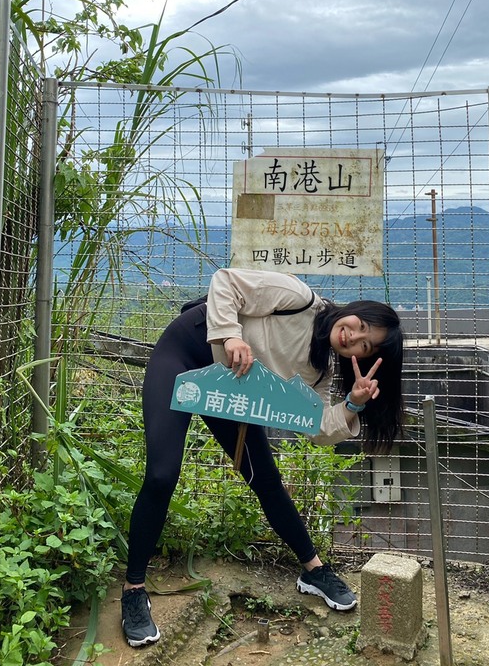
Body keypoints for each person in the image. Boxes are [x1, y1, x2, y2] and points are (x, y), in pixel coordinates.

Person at [121, 267, 404, 648]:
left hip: (230, 388)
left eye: (364, 346)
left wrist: (353, 403)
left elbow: (317, 428)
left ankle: (314, 571)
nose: (353, 337)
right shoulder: (297, 298)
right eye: (361, 326)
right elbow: (226, 282)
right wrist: (230, 335)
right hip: (186, 353)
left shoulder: (317, 371)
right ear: (356, 310)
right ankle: (134, 589)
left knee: (266, 480)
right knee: (161, 474)